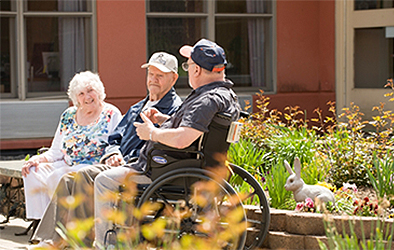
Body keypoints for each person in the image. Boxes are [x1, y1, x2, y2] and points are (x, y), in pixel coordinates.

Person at [93, 38, 241, 248]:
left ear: (197, 70)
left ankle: (105, 245)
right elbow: (195, 130)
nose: (187, 70)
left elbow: (183, 138)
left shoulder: (206, 100)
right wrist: (163, 119)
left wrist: (151, 133)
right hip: (187, 165)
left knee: (103, 180)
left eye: (188, 65)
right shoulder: (225, 95)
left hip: (166, 169)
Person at [29, 52, 182, 248]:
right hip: (119, 163)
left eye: (160, 76)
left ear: (174, 78)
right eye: (151, 74)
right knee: (68, 179)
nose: (153, 80)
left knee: (81, 176)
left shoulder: (174, 109)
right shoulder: (137, 107)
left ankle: (75, 241)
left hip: (141, 167)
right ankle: (54, 239)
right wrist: (113, 153)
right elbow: (114, 138)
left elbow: (165, 144)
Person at [22, 71, 122, 224]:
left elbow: (116, 145)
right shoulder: (68, 115)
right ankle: (43, 223)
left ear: (99, 91)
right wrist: (38, 159)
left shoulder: (111, 113)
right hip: (67, 163)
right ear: (76, 98)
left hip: (90, 168)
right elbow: (55, 151)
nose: (87, 97)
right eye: (81, 93)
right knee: (31, 171)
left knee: (58, 176)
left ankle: (64, 224)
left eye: (90, 91)